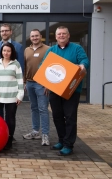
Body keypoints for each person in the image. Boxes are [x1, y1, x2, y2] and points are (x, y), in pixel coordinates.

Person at [43, 26, 89, 156]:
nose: (61, 36)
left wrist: (82, 66)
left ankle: (69, 144)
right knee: (57, 116)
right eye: (59, 34)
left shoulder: (77, 49)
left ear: (68, 35)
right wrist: (46, 83)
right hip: (55, 89)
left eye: (64, 34)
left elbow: (85, 61)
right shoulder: (51, 51)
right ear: (56, 37)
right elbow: (43, 66)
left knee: (70, 117)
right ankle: (62, 140)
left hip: (71, 90)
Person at [0, 23, 24, 143]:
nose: (4, 33)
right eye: (2, 31)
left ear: (10, 32)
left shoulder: (18, 47)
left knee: (10, 118)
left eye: (6, 30)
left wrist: (20, 94)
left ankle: (8, 138)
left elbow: (20, 76)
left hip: (11, 93)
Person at [22, 29, 50, 146]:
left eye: (36, 36)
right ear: (30, 37)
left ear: (41, 36)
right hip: (29, 83)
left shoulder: (48, 49)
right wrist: (24, 82)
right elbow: (25, 66)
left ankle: (45, 134)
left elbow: (51, 67)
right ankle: (35, 131)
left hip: (42, 84)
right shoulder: (26, 50)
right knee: (34, 108)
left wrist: (48, 84)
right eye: (32, 36)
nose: (34, 38)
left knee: (43, 109)